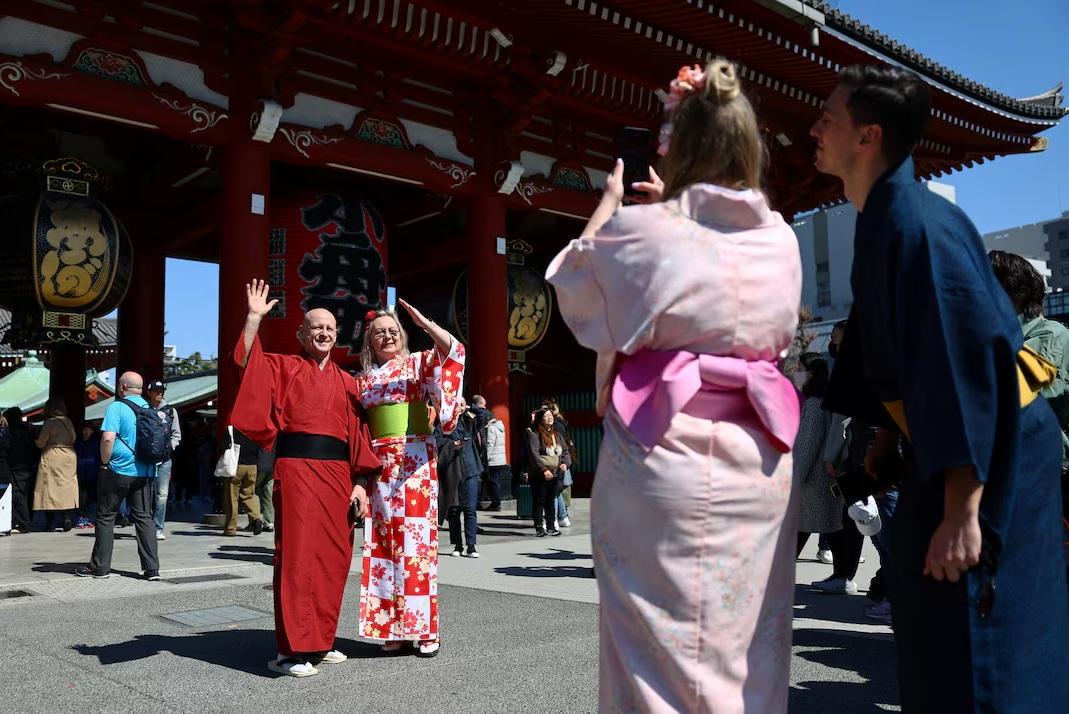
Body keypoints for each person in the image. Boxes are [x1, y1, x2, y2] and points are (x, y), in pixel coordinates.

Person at [547, 59, 802, 711]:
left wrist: (608, 206)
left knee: (652, 649)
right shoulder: (779, 239)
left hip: (663, 453)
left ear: (675, 146)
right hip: (758, 456)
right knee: (751, 642)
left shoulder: (642, 230)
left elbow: (577, 296)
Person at [815, 64, 1069, 711]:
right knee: (924, 611)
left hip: (992, 447)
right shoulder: (882, 218)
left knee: (975, 618)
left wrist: (963, 510)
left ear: (868, 136)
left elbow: (958, 371)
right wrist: (879, 444)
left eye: (829, 116)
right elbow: (888, 359)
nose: (813, 125)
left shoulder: (916, 227)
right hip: (951, 447)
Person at [231, 280, 381, 678]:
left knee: (334, 559)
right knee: (297, 558)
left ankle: (321, 640)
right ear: (302, 333)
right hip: (296, 470)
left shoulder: (348, 383)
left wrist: (361, 484)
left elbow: (360, 438)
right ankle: (290, 652)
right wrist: (253, 319)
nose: (324, 333)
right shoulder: (284, 366)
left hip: (338, 476)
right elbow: (246, 364)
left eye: (330, 328)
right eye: (316, 327)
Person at [353, 301, 465, 657]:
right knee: (383, 546)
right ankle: (394, 628)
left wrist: (425, 323)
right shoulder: (363, 380)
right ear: (369, 343)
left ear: (402, 335)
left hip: (415, 459)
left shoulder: (417, 363)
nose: (386, 336)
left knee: (417, 549)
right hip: (380, 466)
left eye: (392, 331)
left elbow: (455, 352)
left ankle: (426, 628)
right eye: (378, 333)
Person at [76, 372, 160, 580]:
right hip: (146, 472)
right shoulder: (152, 409)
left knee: (105, 517)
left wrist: (104, 463)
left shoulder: (117, 407)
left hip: (118, 470)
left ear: (122, 387)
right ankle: (152, 569)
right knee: (144, 518)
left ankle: (100, 567)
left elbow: (107, 438)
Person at [793, 355, 841, 560]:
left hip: (813, 480)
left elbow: (807, 446)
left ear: (811, 374)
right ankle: (843, 572)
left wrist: (795, 480)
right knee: (831, 529)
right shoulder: (826, 400)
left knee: (800, 528)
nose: (796, 373)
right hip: (823, 478)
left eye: (800, 368)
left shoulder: (813, 405)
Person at [33, 397, 78, 531]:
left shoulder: (50, 422)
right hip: (69, 455)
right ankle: (67, 517)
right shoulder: (68, 421)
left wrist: (35, 442)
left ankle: (50, 522)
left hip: (53, 454)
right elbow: (74, 437)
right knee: (67, 487)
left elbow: (41, 442)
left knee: (50, 488)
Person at [527, 407, 570, 538]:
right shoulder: (534, 434)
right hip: (540, 474)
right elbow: (534, 454)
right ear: (540, 419)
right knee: (539, 500)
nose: (549, 418)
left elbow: (565, 451)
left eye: (550, 415)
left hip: (555, 473)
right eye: (545, 416)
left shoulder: (557, 435)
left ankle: (551, 526)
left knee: (551, 500)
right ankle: (539, 526)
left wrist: (565, 463)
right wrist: (544, 469)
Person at [146, 380, 181, 540]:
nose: (159, 393)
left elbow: (176, 434)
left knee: (162, 495)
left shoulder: (171, 411)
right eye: (156, 390)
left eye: (161, 390)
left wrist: (170, 447)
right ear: (149, 392)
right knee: (146, 494)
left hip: (165, 460)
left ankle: (159, 527)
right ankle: (146, 526)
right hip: (146, 459)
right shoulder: (144, 410)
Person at [223, 427, 263, 536]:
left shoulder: (232, 430)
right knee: (249, 494)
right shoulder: (254, 430)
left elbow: (224, 446)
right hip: (252, 466)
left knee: (232, 498)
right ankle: (256, 517)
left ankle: (231, 528)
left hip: (236, 465)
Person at [4, 407, 38, 533]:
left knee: (17, 494)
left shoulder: (12, 432)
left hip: (16, 466)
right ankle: (23, 520)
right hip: (29, 466)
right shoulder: (29, 430)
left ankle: (24, 522)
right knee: (25, 495)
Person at [543, 398, 576, 528]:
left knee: (554, 492)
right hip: (560, 462)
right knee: (556, 491)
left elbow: (561, 447)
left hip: (556, 462)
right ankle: (562, 517)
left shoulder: (557, 427)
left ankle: (555, 519)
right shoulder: (561, 423)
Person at [74, 423, 101, 528]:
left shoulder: (96, 443)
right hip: (81, 473)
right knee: (82, 497)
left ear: (92, 431)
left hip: (93, 473)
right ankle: (81, 516)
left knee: (91, 497)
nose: (85, 432)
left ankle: (89, 517)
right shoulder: (78, 443)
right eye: (84, 430)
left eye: (88, 430)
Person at [483, 412, 508, 511]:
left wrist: (486, 458)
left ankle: (496, 503)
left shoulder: (492, 428)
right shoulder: (500, 428)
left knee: (493, 482)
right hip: (500, 459)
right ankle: (496, 502)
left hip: (493, 459)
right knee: (496, 481)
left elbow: (490, 444)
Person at [254, 440, 276, 531]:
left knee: (251, 491)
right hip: (272, 465)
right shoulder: (275, 433)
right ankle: (269, 522)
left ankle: (255, 520)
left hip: (260, 464)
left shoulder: (260, 434)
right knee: (268, 493)